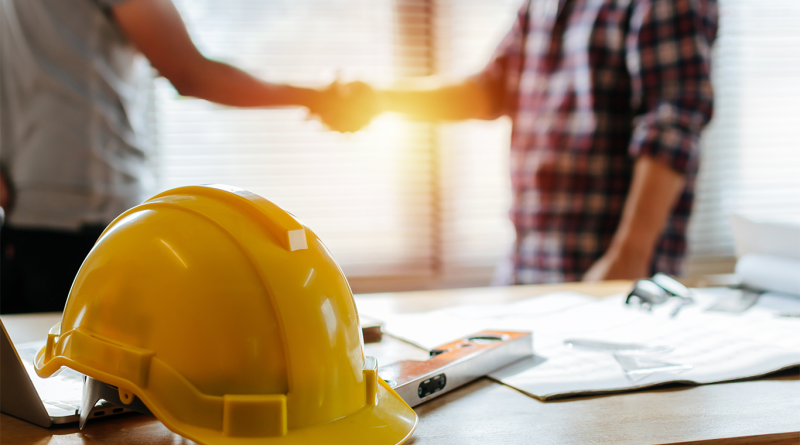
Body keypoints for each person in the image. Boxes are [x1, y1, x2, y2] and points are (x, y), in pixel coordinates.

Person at [0, 0, 373, 313]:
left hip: (27, 219)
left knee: (38, 387)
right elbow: (190, 72)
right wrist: (318, 98)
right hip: (90, 220)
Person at [344, 0, 718, 284]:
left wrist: (629, 257)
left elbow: (673, 122)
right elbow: (490, 89)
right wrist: (380, 100)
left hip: (608, 270)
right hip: (526, 268)